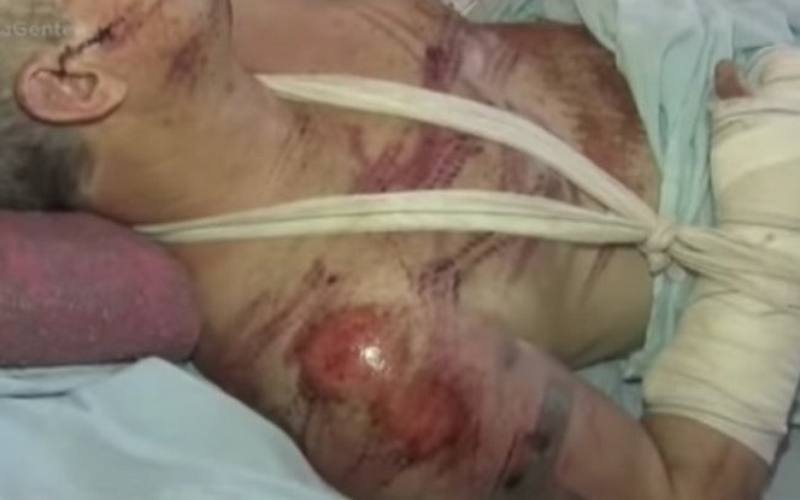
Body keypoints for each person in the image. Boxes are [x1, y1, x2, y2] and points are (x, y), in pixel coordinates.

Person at [0, 0, 770, 498]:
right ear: (74, 82)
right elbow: (678, 490)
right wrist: (776, 222)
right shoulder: (357, 352)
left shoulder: (252, 21)